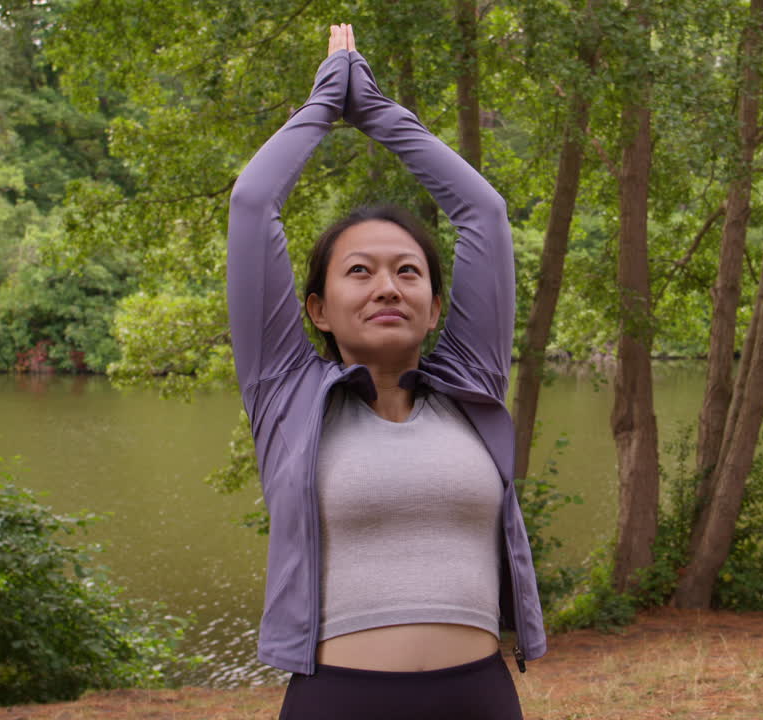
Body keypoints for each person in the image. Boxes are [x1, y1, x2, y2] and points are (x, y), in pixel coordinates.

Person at [226, 23, 546, 719]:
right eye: (359, 272)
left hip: (479, 697)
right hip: (341, 700)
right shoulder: (287, 393)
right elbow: (253, 205)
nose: (387, 288)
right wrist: (325, 103)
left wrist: (374, 108)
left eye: (408, 271)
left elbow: (484, 214)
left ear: (435, 309)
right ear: (317, 308)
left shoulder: (470, 384)